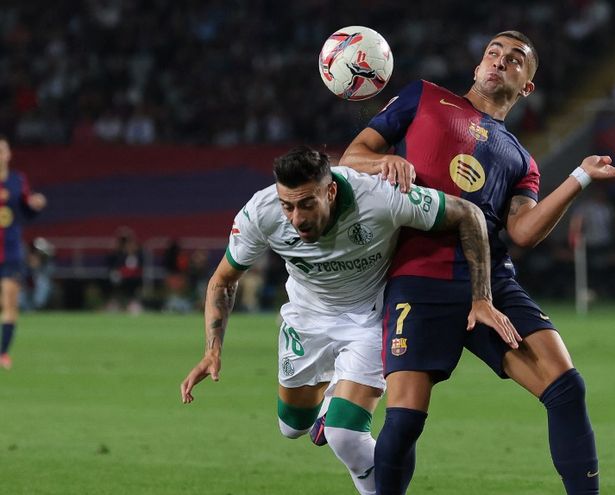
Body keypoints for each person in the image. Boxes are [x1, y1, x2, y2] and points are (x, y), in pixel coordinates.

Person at [341, 30, 615, 494]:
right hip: (419, 275)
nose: (500, 61)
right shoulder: (424, 98)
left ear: (527, 86)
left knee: (566, 388)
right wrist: (384, 164)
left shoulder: (521, 159)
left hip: (491, 280)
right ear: (478, 66)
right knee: (405, 420)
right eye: (493, 53)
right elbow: (352, 156)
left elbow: (523, 232)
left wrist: (579, 177)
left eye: (515, 59)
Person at [179, 147, 517, 495]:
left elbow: (468, 214)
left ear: (330, 191)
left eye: (306, 204)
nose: (296, 218)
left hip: (368, 319)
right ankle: (329, 401)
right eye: (288, 206)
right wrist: (212, 350)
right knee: (292, 426)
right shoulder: (260, 212)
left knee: (344, 435)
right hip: (306, 319)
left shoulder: (380, 197)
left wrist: (482, 297)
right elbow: (222, 281)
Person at [0, 135, 47, 370]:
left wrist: (35, 205)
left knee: (10, 302)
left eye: (2, 150)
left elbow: (26, 211)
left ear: (9, 154)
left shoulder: (18, 180)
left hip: (10, 251)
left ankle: (3, 353)